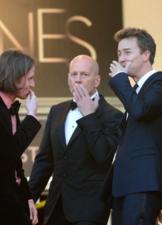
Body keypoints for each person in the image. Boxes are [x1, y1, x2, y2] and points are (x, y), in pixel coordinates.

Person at [29, 55, 122, 225]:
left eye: (84, 75)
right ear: (68, 78)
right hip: (56, 207)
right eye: (74, 74)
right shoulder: (57, 111)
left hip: (90, 210)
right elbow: (45, 161)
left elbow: (102, 155)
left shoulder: (113, 116)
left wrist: (89, 116)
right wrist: (29, 198)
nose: (78, 80)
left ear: (97, 80)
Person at [108, 28, 162, 225]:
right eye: (119, 53)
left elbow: (141, 111)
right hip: (125, 184)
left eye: (128, 52)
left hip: (144, 181)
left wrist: (120, 80)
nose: (121, 59)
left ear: (146, 54)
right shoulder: (136, 92)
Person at [0, 49, 41, 225]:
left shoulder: (7, 107)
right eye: (30, 78)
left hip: (12, 201)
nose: (33, 84)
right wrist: (32, 116)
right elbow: (9, 152)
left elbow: (15, 163)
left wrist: (27, 197)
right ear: (16, 77)